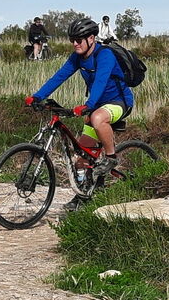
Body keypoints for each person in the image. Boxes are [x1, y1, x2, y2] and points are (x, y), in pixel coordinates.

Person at [24, 18, 134, 211]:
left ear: (91, 38)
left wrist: (88, 105)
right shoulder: (77, 57)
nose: (75, 43)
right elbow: (59, 76)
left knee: (97, 118)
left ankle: (111, 157)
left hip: (119, 102)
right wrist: (37, 96)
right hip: (97, 106)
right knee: (82, 158)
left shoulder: (105, 55)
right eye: (72, 40)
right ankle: (84, 195)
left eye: (79, 39)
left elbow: (100, 82)